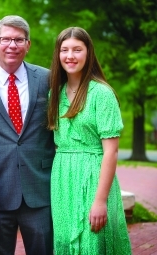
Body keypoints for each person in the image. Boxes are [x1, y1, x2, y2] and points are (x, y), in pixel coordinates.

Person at [0, 15, 55, 255]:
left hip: (39, 189)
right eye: (6, 39)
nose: (12, 45)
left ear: (28, 44)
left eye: (19, 39)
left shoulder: (49, 79)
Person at [47, 27, 132, 254]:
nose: (70, 56)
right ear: (58, 54)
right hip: (63, 179)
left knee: (92, 242)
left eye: (77, 49)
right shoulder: (55, 93)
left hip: (94, 177)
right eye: (64, 50)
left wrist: (100, 200)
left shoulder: (101, 94)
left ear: (88, 53)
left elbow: (111, 152)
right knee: (65, 242)